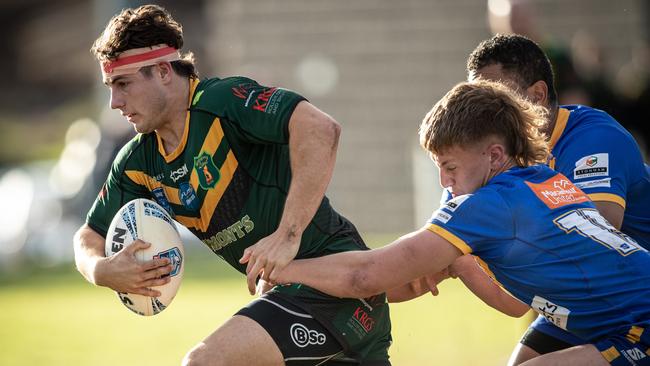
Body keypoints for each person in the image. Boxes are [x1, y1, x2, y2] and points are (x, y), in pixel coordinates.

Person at [72, 5, 394, 366]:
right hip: (286, 296)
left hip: (336, 288)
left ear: (163, 71)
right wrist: (102, 270)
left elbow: (321, 128)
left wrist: (287, 236)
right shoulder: (137, 162)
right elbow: (89, 235)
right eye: (110, 87)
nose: (115, 102)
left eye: (123, 84)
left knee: (205, 363)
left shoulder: (222, 101)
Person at [270, 79, 650, 366]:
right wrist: (457, 263)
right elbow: (516, 303)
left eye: (450, 167)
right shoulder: (543, 179)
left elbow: (367, 276)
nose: (444, 182)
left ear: (494, 155)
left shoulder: (488, 206)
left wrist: (286, 268)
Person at [464, 34, 650, 364]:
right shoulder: (498, 159)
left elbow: (593, 244)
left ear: (537, 95)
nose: (484, 117)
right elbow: (517, 303)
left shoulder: (593, 138)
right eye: (479, 103)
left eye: (498, 103)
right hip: (591, 296)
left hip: (633, 298)